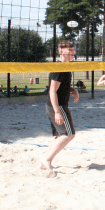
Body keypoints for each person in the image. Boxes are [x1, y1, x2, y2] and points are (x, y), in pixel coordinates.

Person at [40, 40, 79, 178]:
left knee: (60, 135)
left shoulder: (66, 67)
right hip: (57, 105)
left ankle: (45, 160)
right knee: (68, 134)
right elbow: (52, 91)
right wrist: (57, 111)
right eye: (70, 49)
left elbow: (61, 86)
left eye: (73, 49)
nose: (73, 51)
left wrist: (72, 90)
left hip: (58, 105)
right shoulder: (59, 67)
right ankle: (47, 159)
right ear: (62, 51)